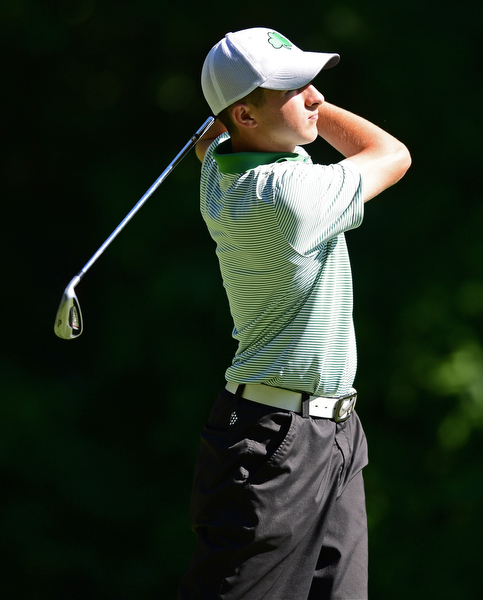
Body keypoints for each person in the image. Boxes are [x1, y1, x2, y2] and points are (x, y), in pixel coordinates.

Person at [177, 27, 411, 600]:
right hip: (276, 447)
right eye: (292, 88)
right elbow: (391, 155)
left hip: (327, 433)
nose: (313, 95)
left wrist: (236, 116)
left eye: (312, 83)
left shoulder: (221, 173)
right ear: (247, 116)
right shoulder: (288, 194)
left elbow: (214, 145)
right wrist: (321, 111)